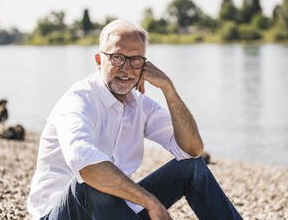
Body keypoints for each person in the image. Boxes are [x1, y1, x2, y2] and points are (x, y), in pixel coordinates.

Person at [27, 20, 242, 220]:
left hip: (113, 212)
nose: (127, 69)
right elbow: (86, 167)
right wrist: (151, 202)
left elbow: (192, 149)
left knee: (192, 167)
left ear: (145, 65)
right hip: (60, 213)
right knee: (91, 184)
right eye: (117, 57)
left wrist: (168, 88)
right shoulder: (78, 101)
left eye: (136, 59)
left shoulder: (138, 104)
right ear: (99, 61)